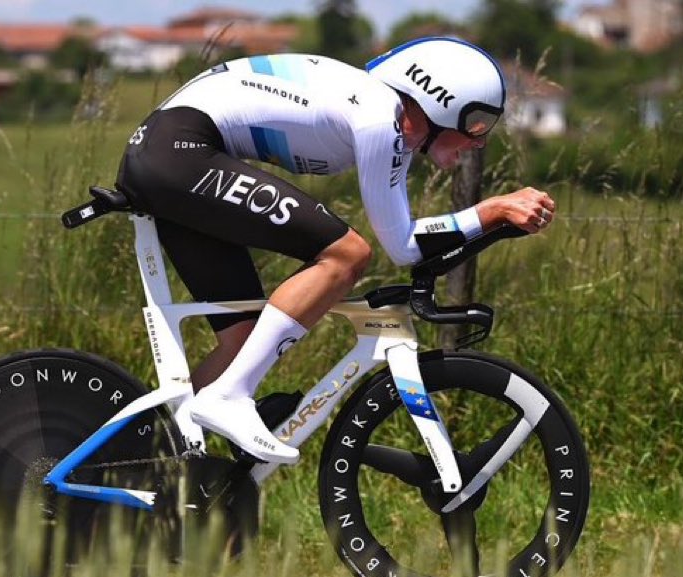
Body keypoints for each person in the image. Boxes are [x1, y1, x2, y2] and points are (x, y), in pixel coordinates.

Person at [116, 37, 556, 464]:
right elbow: (402, 247)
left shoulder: (380, 113)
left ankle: (148, 460)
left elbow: (408, 240)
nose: (479, 141)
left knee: (246, 340)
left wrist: (487, 218)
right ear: (439, 99)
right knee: (347, 254)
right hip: (178, 152)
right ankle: (228, 397)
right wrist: (493, 210)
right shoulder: (379, 116)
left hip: (172, 155)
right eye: (476, 123)